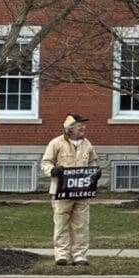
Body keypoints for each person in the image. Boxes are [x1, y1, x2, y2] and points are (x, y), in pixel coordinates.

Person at [40, 113, 100, 266]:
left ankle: (79, 255)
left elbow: (93, 162)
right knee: (61, 223)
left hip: (82, 191)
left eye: (83, 125)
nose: (83, 128)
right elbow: (46, 163)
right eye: (80, 126)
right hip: (61, 192)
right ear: (70, 128)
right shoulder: (56, 143)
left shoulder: (87, 144)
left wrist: (95, 173)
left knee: (81, 224)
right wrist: (53, 171)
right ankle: (62, 255)